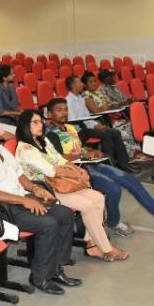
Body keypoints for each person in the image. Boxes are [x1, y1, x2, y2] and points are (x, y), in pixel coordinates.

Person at [0, 116, 79, 295]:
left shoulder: (1, 149)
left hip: (19, 200)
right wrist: (25, 200)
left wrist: (35, 189)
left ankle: (55, 269)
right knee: (48, 224)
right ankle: (40, 277)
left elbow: (20, 176)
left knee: (64, 214)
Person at [45, 98, 154, 234]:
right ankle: (113, 222)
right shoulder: (50, 133)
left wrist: (91, 152)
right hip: (76, 172)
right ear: (50, 114)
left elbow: (78, 148)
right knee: (113, 188)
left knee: (132, 180)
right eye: (59, 110)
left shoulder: (69, 128)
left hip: (90, 164)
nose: (63, 113)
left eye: (65, 109)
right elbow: (59, 157)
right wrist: (83, 156)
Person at [15, 110, 129, 262]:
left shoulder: (42, 141)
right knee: (87, 205)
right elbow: (51, 170)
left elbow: (59, 160)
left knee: (98, 198)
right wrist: (76, 175)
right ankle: (107, 248)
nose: (40, 125)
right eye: (35, 122)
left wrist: (77, 169)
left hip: (61, 184)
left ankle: (92, 245)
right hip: (45, 190)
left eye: (40, 121)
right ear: (24, 126)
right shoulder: (25, 149)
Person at [65, 75, 137, 173]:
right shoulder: (68, 101)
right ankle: (110, 167)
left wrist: (95, 124)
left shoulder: (80, 99)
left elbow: (87, 117)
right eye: (79, 82)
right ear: (73, 85)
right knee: (106, 135)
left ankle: (124, 163)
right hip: (79, 130)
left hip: (88, 126)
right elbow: (73, 121)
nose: (82, 84)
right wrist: (94, 125)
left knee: (115, 132)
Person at [80, 71, 140, 161]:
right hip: (98, 120)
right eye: (90, 82)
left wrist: (106, 107)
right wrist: (105, 107)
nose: (94, 83)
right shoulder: (85, 94)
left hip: (109, 117)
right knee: (122, 128)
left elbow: (110, 105)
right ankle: (127, 155)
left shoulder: (99, 93)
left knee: (130, 125)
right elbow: (94, 110)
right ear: (85, 84)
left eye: (94, 81)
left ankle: (133, 152)